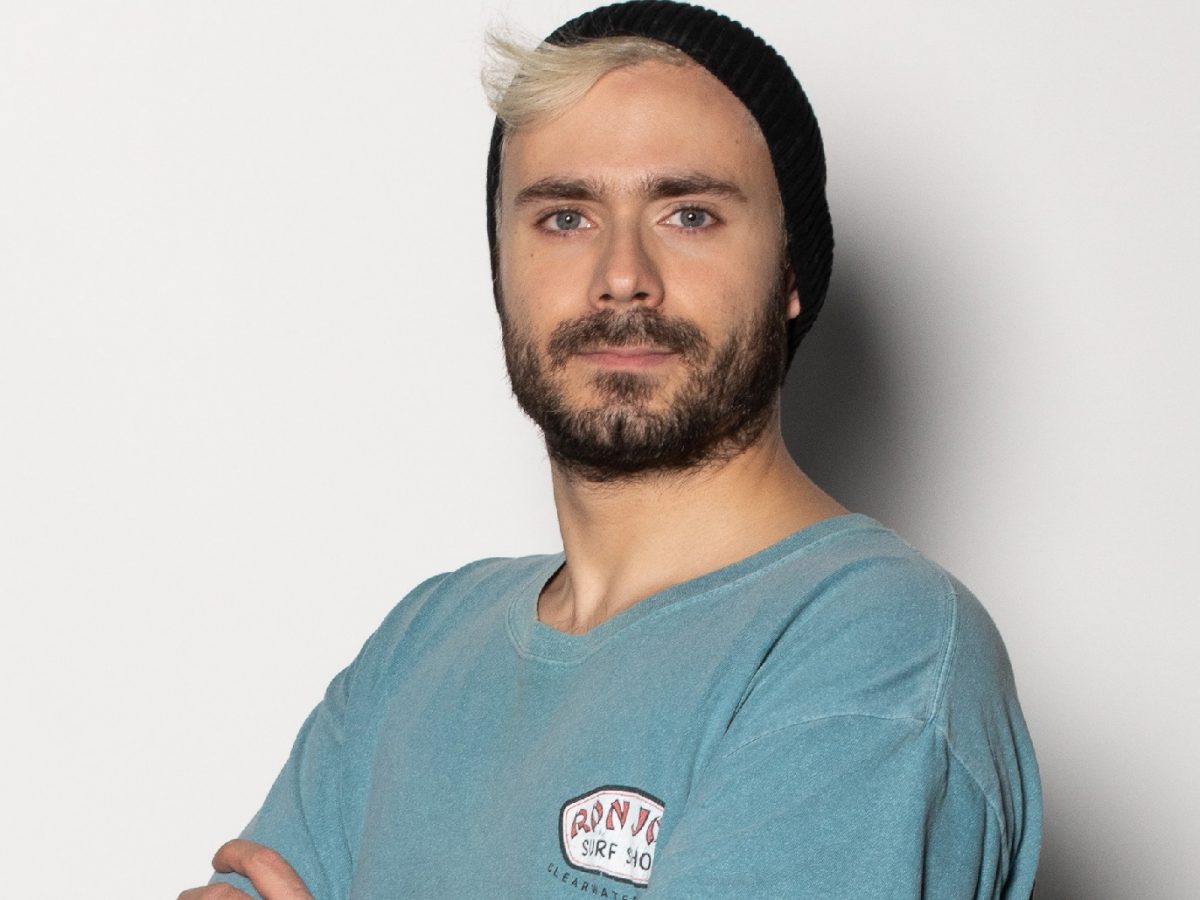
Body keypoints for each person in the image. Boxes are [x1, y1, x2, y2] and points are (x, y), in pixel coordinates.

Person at [181, 2, 1042, 898]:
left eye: (689, 214)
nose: (622, 275)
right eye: (566, 218)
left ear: (789, 271)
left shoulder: (875, 645)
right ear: (502, 267)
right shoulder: (423, 643)